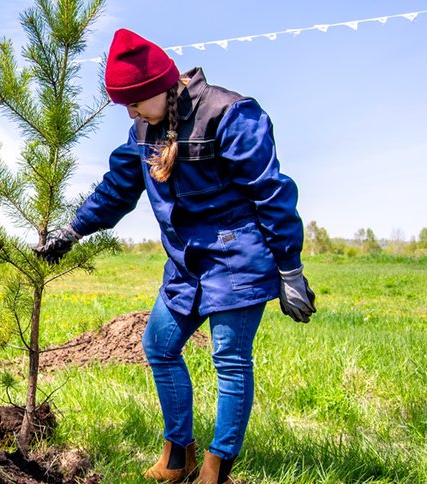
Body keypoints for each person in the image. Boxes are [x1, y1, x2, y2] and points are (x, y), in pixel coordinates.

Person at [35, 29, 315, 484]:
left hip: (237, 257)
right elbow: (118, 189)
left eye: (135, 101)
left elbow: (272, 193)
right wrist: (72, 229)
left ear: (161, 87)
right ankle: (177, 455)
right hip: (186, 262)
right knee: (159, 346)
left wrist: (290, 268)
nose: (130, 112)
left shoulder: (231, 114)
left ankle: (217, 467)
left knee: (229, 358)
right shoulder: (142, 129)